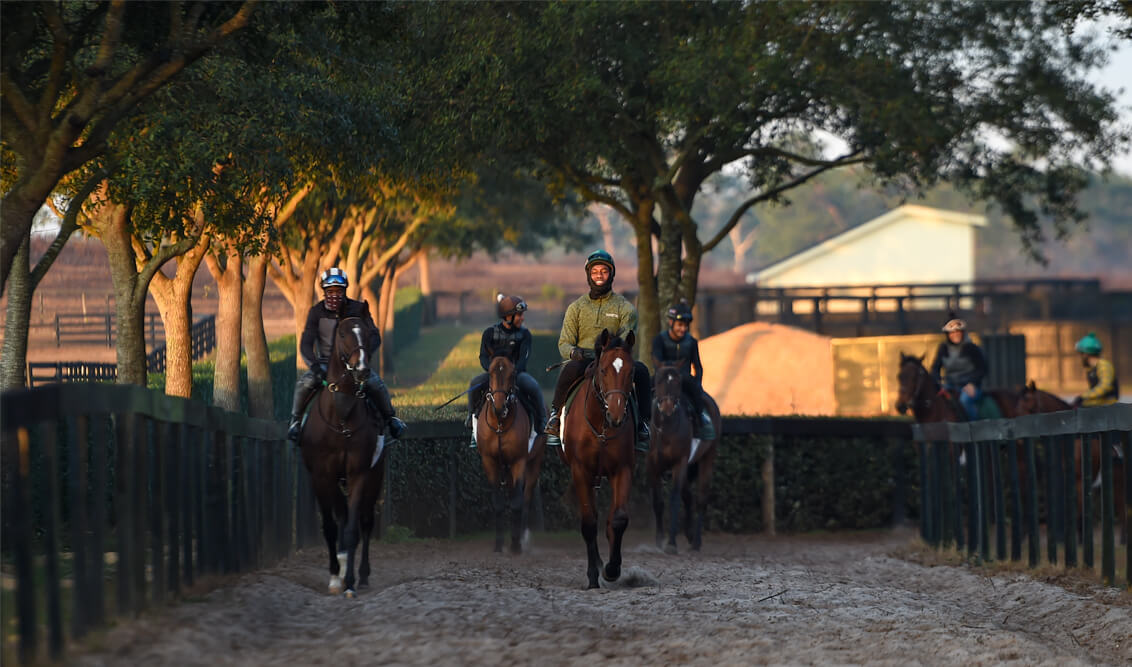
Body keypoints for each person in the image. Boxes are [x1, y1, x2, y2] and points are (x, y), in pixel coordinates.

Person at [544, 250, 651, 450]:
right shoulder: (575, 308)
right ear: (589, 275)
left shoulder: (625, 308)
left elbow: (627, 338)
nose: (599, 275)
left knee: (642, 372)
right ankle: (554, 417)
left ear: (611, 275)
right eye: (595, 272)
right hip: (584, 358)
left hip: (613, 359)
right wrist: (573, 352)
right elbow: (564, 343)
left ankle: (644, 424)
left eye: (603, 271)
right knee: (570, 369)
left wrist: (611, 352)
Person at [288, 267, 406, 441]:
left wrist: (363, 357)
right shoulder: (316, 312)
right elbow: (306, 344)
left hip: (356, 363)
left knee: (376, 383)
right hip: (325, 364)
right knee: (304, 383)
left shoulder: (358, 309)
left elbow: (374, 336)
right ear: (324, 291)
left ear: (345, 290)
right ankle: (295, 422)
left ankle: (391, 419)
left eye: (338, 291)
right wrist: (314, 366)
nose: (334, 295)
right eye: (330, 291)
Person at [465, 294, 547, 446]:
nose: (522, 318)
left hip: (516, 374)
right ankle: (471, 417)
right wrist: (491, 370)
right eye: (520, 315)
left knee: (533, 386)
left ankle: (542, 421)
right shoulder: (489, 333)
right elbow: (483, 357)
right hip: (494, 375)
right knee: (474, 384)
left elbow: (524, 358)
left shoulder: (524, 335)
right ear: (508, 316)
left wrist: (513, 372)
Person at [651, 301, 715, 440]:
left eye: (686, 326)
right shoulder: (659, 340)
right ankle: (642, 423)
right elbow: (657, 363)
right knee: (646, 389)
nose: (683, 329)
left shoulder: (692, 342)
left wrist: (698, 383)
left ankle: (701, 419)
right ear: (670, 322)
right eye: (680, 325)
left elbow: (698, 366)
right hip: (663, 378)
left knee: (696, 392)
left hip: (684, 379)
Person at [929, 315, 987, 421]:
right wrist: (938, 383)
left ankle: (975, 428)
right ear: (947, 334)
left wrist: (972, 384)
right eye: (952, 332)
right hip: (950, 385)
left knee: (965, 401)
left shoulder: (971, 348)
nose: (955, 335)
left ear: (963, 332)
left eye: (958, 331)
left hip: (969, 387)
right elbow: (935, 368)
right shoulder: (943, 348)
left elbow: (982, 368)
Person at [1071, 332, 1120, 408]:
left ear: (1086, 354)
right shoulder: (1092, 369)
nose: (1080, 357)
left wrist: (1084, 396)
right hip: (1099, 406)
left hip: (1107, 408)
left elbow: (1104, 387)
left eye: (1081, 354)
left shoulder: (1104, 366)